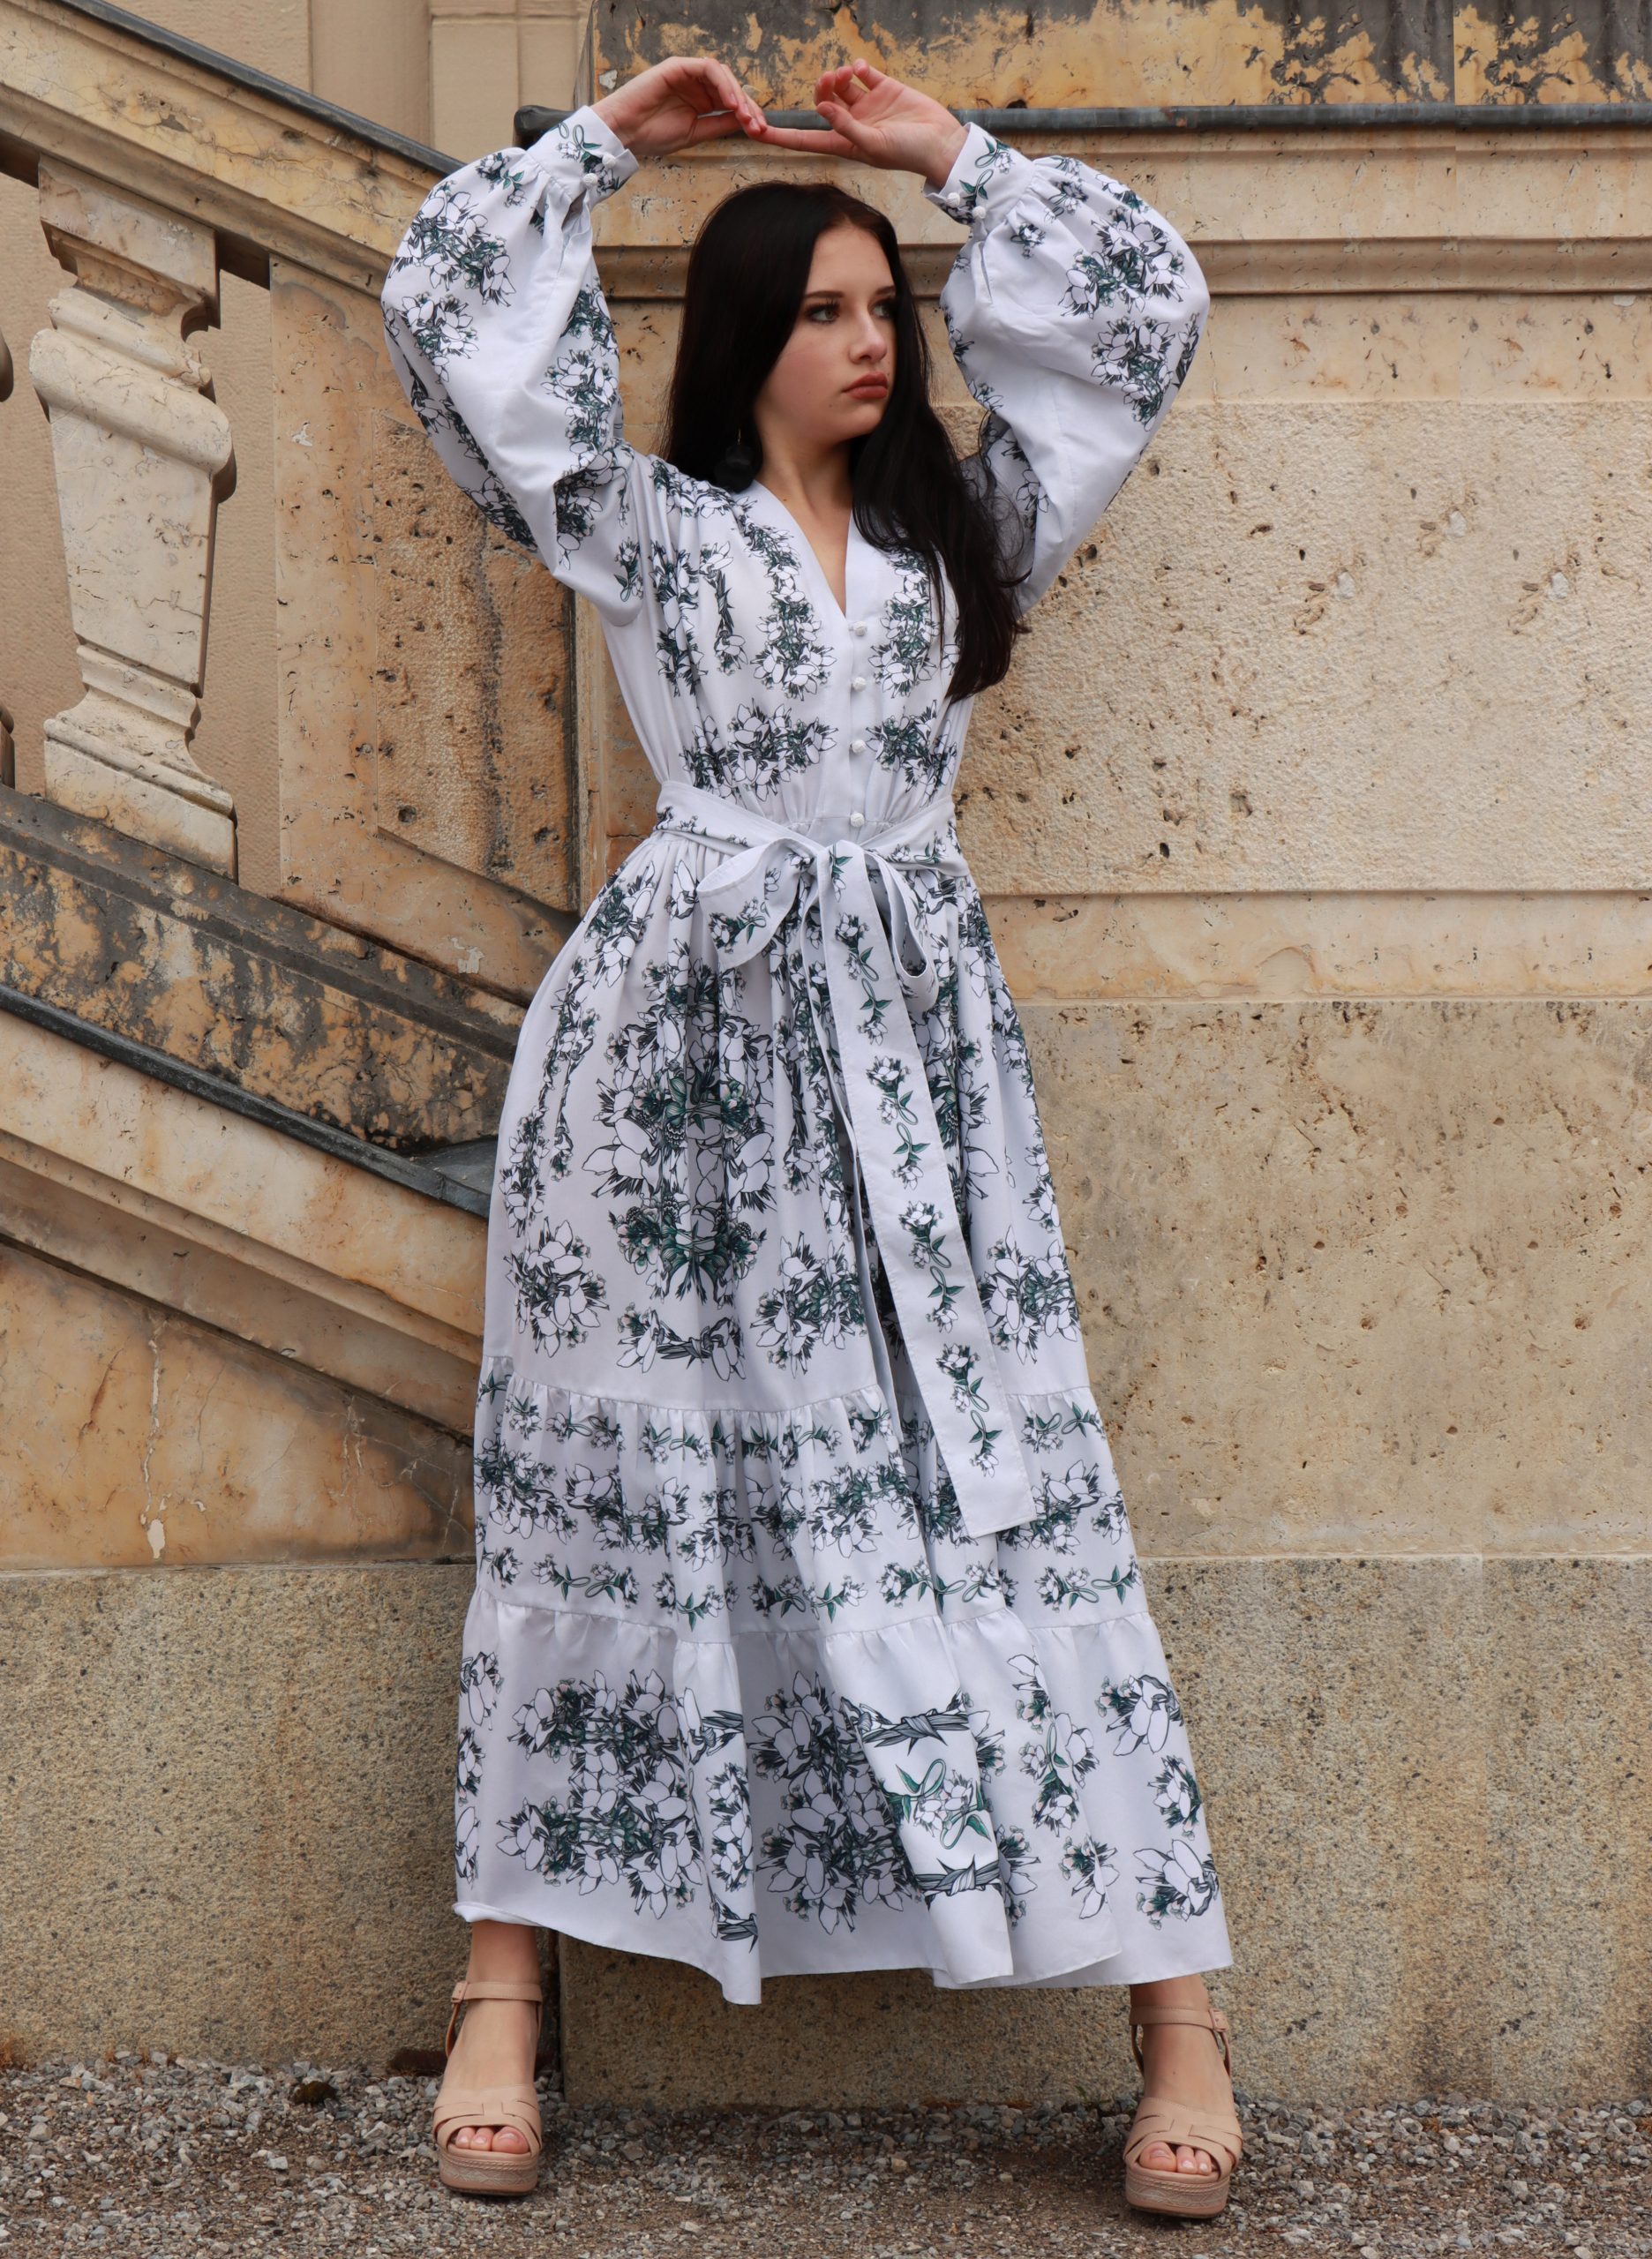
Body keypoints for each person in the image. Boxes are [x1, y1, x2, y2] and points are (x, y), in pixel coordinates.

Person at [381, 53, 1242, 2220]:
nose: (882, 339)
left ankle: (1182, 2011)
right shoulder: (646, 528)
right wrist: (609, 147)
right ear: (755, 338)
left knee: (1005, 1474)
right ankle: (503, 1995)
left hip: (919, 1076)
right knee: (622, 1488)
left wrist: (950, 161)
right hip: (669, 1063)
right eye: (842, 309)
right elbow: (448, 310)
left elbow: (1149, 315)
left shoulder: (974, 536)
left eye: (896, 308)